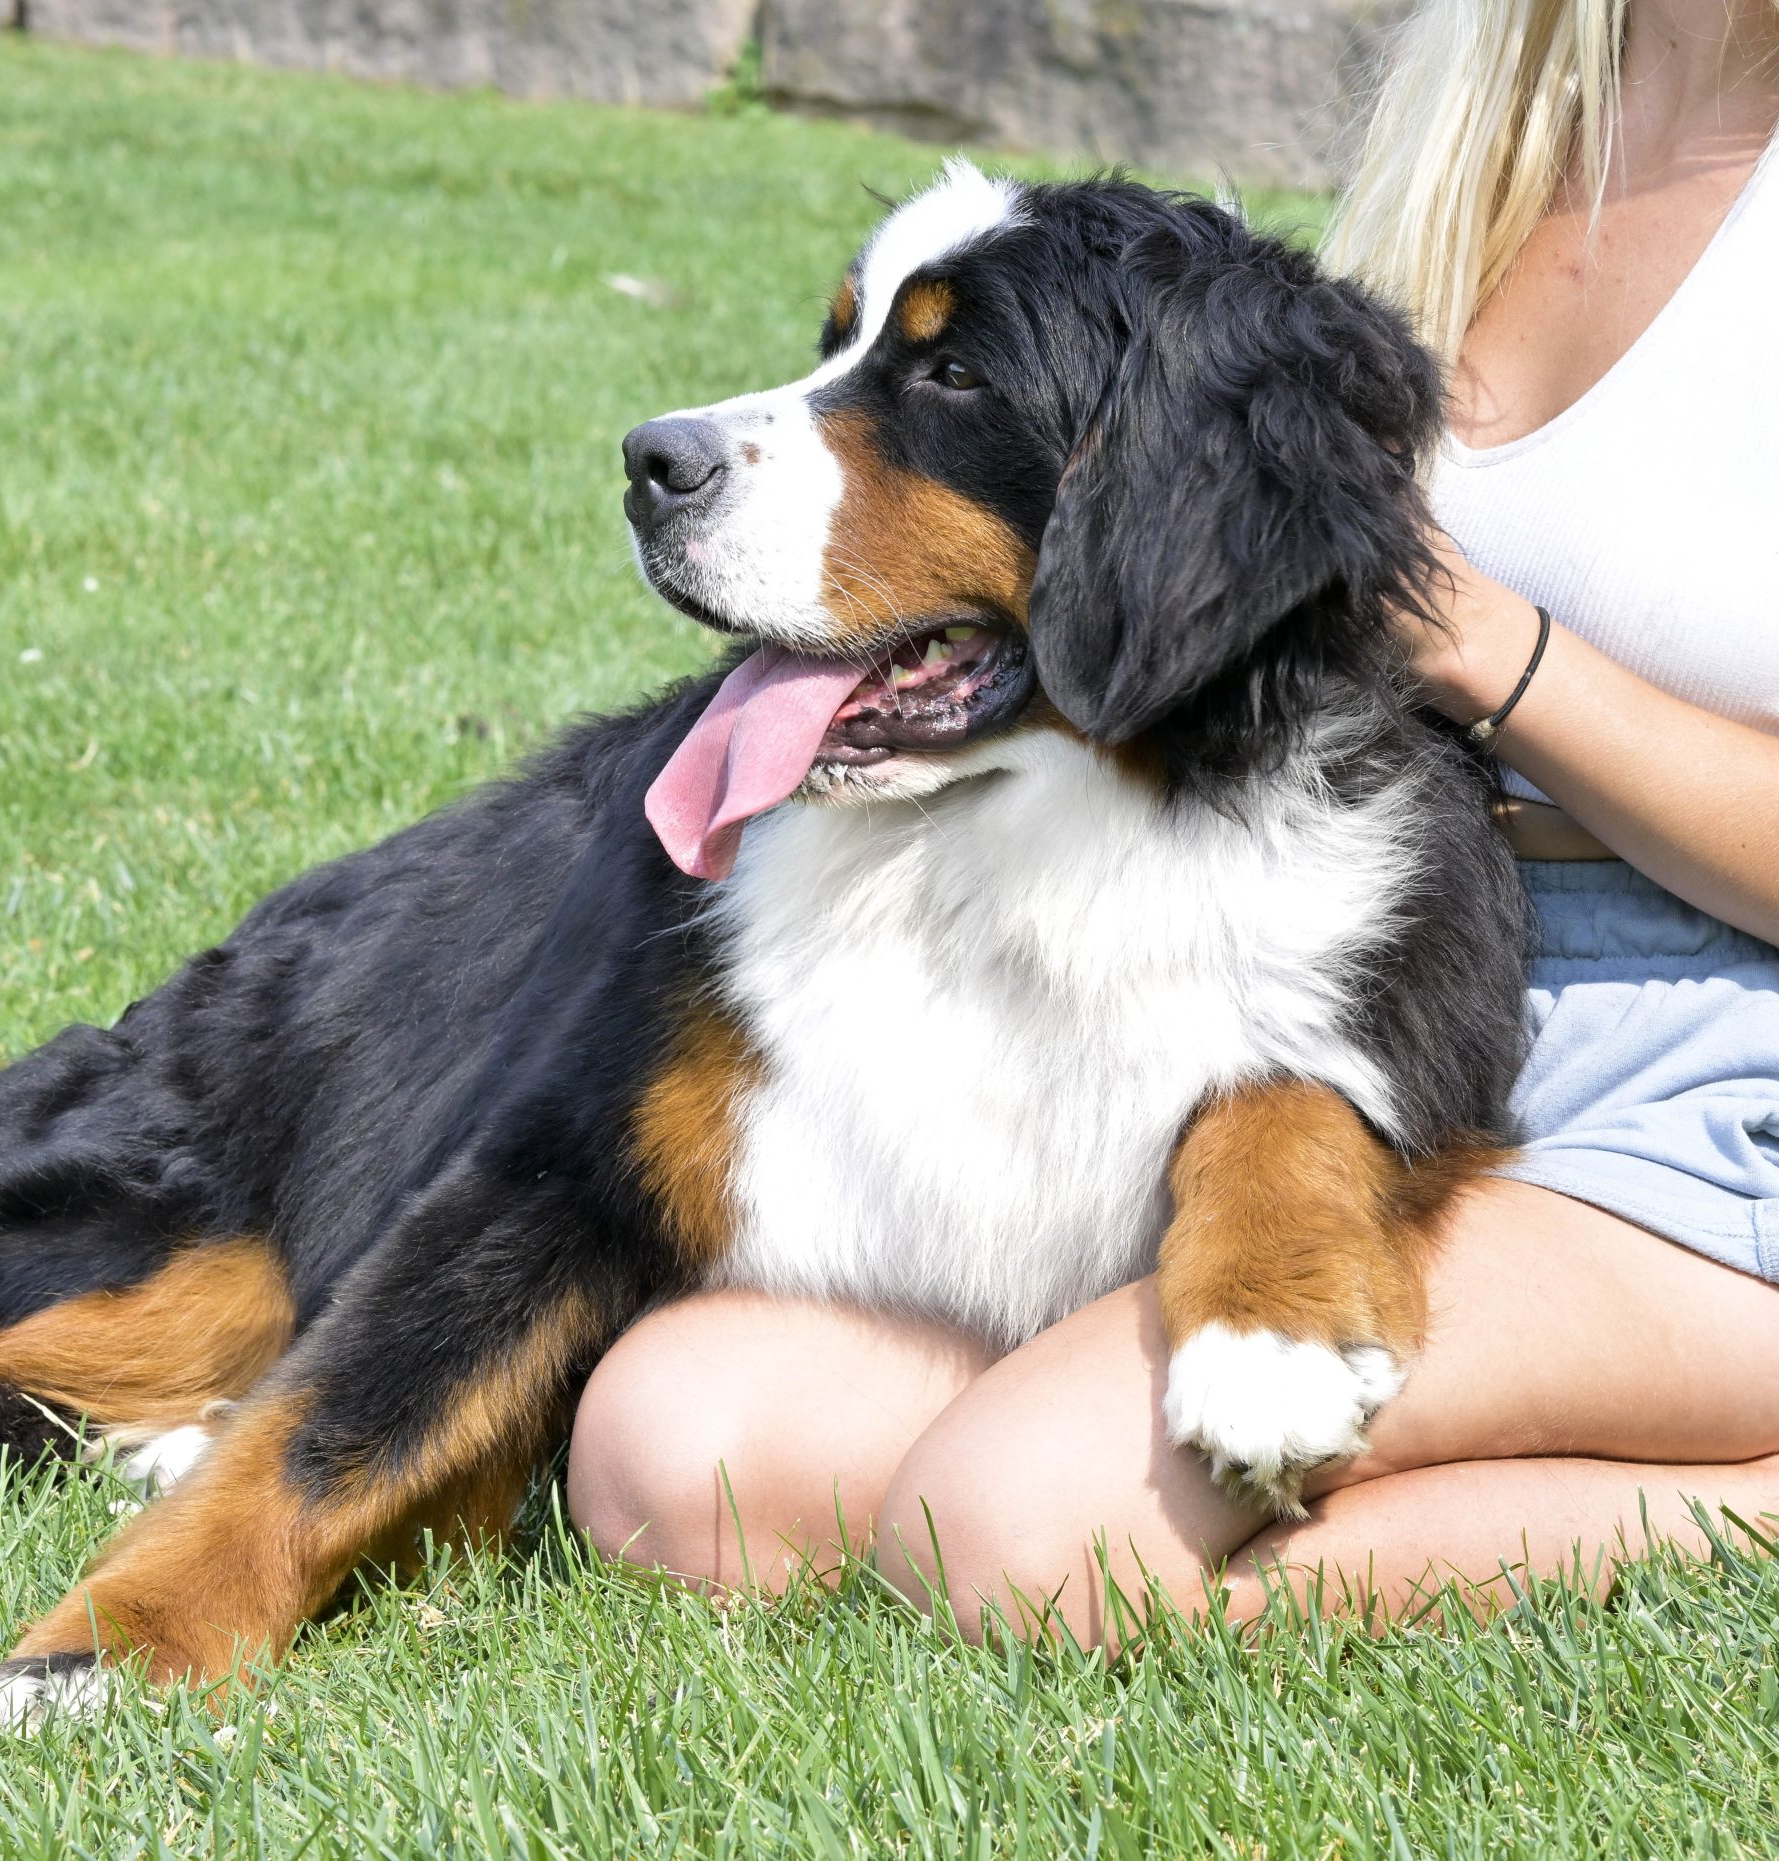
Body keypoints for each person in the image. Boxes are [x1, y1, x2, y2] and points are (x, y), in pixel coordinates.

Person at [565, 0, 1779, 1641]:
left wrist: (1498, 654)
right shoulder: (1490, 94)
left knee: (1014, 1535)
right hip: (1380, 991)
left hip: (1714, 1085)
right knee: (681, 1452)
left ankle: (1743, 1501)